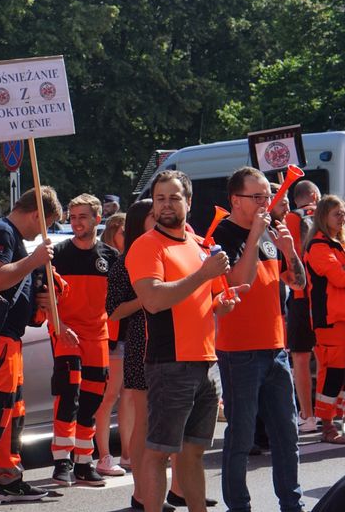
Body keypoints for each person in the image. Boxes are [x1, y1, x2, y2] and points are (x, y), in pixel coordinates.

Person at [127, 170, 247, 512]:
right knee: (159, 452)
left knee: (193, 452)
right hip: (170, 363)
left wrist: (221, 304)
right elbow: (153, 300)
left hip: (206, 362)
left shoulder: (197, 246)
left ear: (188, 203)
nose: (166, 204)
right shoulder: (146, 245)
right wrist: (203, 275)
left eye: (174, 197)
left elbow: (204, 302)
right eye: (160, 198)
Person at [214, 167, 305, 512]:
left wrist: (290, 249)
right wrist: (254, 236)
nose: (267, 202)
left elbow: (298, 284)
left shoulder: (268, 233)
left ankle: (291, 504)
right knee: (241, 437)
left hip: (275, 349)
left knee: (287, 434)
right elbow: (240, 280)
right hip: (239, 352)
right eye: (259, 196)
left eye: (268, 195)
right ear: (236, 201)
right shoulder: (223, 233)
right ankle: (239, 506)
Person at [0, 187, 59, 502]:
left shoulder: (13, 238)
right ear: (36, 216)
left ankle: (8, 475)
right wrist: (32, 261)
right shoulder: (0, 233)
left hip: (10, 340)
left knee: (12, 414)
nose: (44, 233)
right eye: (48, 224)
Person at [48, 194, 118, 487]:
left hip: (97, 335)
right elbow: (46, 298)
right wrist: (59, 325)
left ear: (97, 219)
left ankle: (83, 461)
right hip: (65, 333)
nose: (76, 222)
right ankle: (61, 461)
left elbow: (118, 299)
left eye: (83, 217)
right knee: (69, 393)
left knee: (91, 399)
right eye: (72, 216)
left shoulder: (111, 257)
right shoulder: (58, 254)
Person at [304, 195, 345, 443]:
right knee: (333, 374)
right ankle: (328, 426)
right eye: (336, 214)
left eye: (343, 213)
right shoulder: (318, 246)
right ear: (323, 217)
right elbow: (339, 278)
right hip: (331, 320)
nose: (342, 217)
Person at [94, 212, 133, 477]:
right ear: (115, 230)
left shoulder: (129, 257)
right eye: (124, 231)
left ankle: (128, 453)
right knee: (110, 398)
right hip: (112, 337)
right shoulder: (106, 260)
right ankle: (105, 455)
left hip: (128, 336)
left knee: (128, 397)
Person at [286, 180, 321, 433]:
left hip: (300, 294)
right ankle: (326, 413)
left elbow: (288, 256)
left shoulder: (291, 217)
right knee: (326, 355)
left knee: (300, 356)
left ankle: (307, 415)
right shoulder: (324, 214)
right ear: (314, 195)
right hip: (326, 294)